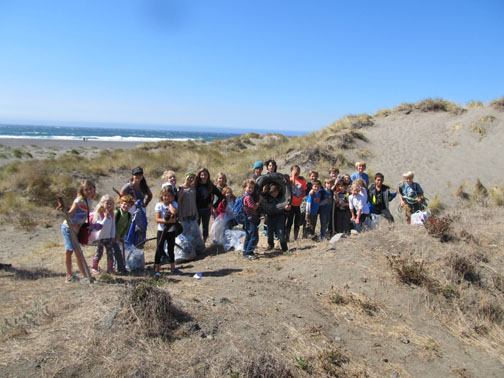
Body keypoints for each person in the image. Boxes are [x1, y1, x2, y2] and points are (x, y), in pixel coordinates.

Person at [59, 180, 96, 283]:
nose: (89, 191)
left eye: (90, 188)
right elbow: (69, 214)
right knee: (73, 251)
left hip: (76, 229)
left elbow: (83, 217)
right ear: (82, 191)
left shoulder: (89, 201)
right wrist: (63, 210)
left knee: (74, 251)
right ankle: (76, 276)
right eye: (86, 189)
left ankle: (78, 275)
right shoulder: (79, 201)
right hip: (68, 228)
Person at [154, 186, 180, 276]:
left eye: (169, 196)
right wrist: (167, 221)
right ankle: (156, 269)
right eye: (165, 195)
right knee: (159, 249)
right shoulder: (159, 205)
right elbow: (157, 219)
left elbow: (174, 212)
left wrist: (170, 204)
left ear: (172, 197)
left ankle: (173, 268)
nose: (167, 198)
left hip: (171, 231)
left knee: (171, 249)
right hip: (161, 230)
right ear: (162, 196)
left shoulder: (174, 204)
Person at [178, 170, 205, 255]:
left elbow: (194, 201)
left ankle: (197, 250)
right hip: (184, 214)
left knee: (195, 234)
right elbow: (178, 202)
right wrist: (180, 216)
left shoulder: (193, 188)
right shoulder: (181, 188)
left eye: (193, 178)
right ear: (186, 177)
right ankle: (186, 251)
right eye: (190, 177)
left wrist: (196, 213)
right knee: (185, 234)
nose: (191, 179)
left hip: (192, 214)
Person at [89, 195, 116, 275]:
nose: (109, 205)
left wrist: (113, 236)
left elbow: (112, 226)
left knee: (110, 252)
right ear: (102, 204)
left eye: (111, 204)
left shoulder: (112, 214)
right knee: (99, 252)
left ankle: (110, 268)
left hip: (108, 237)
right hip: (100, 237)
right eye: (107, 203)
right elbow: (100, 226)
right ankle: (94, 267)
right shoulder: (99, 214)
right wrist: (105, 217)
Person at [195, 168, 223, 242]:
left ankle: (203, 243)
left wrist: (213, 205)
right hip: (196, 209)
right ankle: (196, 243)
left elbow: (220, 196)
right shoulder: (196, 185)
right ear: (199, 176)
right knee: (196, 227)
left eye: (205, 174)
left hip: (206, 210)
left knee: (205, 227)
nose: (203, 176)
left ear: (208, 175)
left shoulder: (210, 185)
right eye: (202, 175)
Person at [111, 194, 134, 274]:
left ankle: (120, 267)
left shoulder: (128, 216)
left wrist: (122, 237)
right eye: (124, 204)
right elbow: (112, 225)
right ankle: (118, 268)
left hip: (119, 237)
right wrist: (114, 236)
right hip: (112, 237)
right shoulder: (116, 213)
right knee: (115, 252)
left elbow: (126, 228)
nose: (126, 206)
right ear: (120, 203)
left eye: (128, 205)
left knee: (121, 252)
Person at [242, 179, 264, 260]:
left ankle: (245, 251)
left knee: (248, 235)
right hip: (251, 219)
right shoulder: (248, 198)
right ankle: (249, 252)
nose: (251, 189)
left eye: (252, 188)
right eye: (249, 187)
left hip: (247, 218)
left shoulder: (244, 196)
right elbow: (254, 207)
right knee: (254, 236)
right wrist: (260, 200)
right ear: (244, 188)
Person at [263, 184, 288, 252]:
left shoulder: (281, 198)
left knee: (281, 232)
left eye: (276, 192)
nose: (274, 193)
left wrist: (286, 208)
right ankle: (270, 245)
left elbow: (286, 205)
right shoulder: (267, 198)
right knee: (270, 233)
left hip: (279, 217)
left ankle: (284, 248)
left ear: (278, 192)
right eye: (272, 192)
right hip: (270, 217)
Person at [285, 165, 307, 241]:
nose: (296, 171)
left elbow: (304, 191)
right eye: (294, 170)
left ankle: (295, 237)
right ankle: (287, 237)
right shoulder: (290, 180)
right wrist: (293, 176)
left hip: (298, 205)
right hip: (291, 205)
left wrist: (301, 198)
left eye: (298, 170)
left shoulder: (302, 181)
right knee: (289, 222)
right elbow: (292, 186)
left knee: (297, 222)